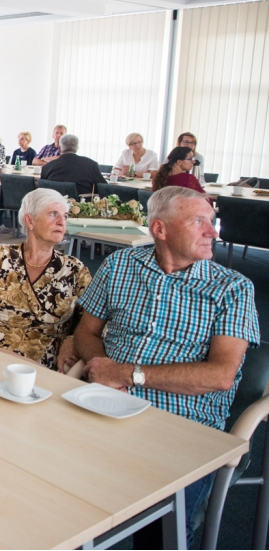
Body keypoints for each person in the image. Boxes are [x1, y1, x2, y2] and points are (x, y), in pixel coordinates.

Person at [74, 186, 259, 545]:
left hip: (181, 427)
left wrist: (126, 373)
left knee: (158, 533)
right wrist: (100, 365)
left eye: (212, 221)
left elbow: (221, 376)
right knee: (41, 483)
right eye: (198, 222)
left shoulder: (232, 289)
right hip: (104, 405)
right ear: (160, 229)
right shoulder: (120, 265)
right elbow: (86, 330)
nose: (213, 232)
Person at [0, 188, 92, 371]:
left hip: (38, 369)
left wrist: (72, 340)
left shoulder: (76, 271)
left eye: (65, 216)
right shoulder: (0, 256)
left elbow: (90, 327)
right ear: (30, 221)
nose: (61, 222)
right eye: (53, 214)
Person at [40, 134, 105, 197]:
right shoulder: (91, 165)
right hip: (81, 205)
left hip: (54, 204)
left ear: (60, 148)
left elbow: (42, 190)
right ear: (77, 148)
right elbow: (103, 188)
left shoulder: (47, 167)